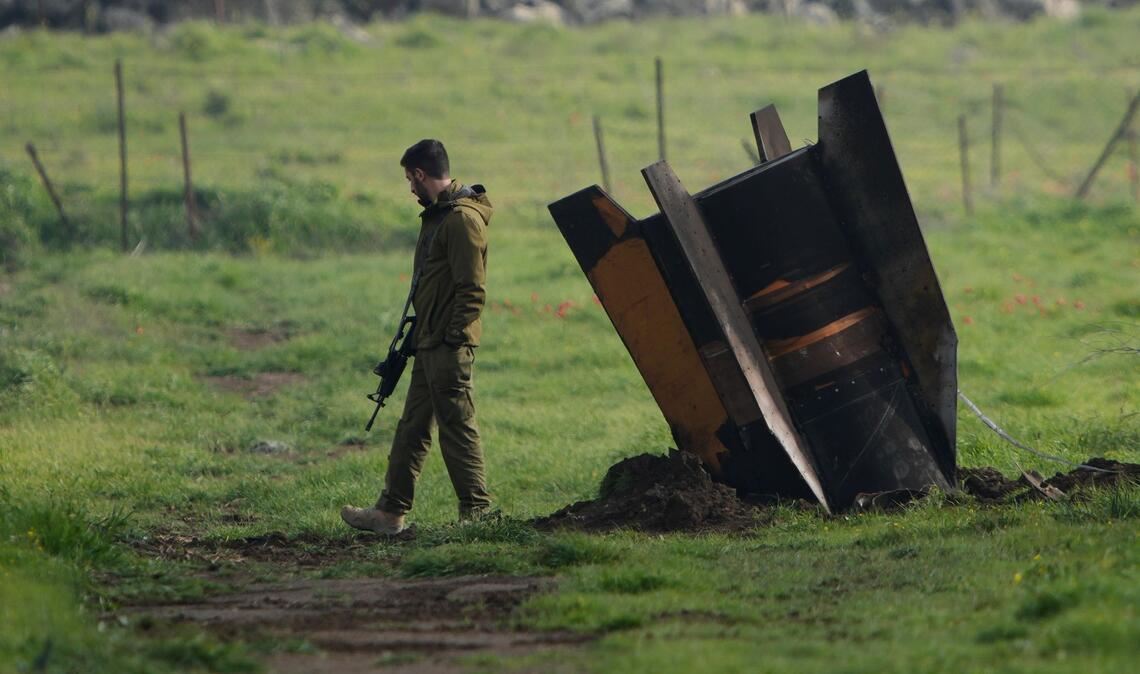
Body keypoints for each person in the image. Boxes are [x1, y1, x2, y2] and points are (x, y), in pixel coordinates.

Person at [342, 139, 493, 535]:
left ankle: (477, 515)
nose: (410, 188)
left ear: (422, 175)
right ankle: (390, 513)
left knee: (457, 427)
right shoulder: (440, 216)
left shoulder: (461, 220)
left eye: (411, 179)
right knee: (412, 427)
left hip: (446, 345)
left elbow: (472, 289)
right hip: (428, 342)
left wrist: (452, 337)